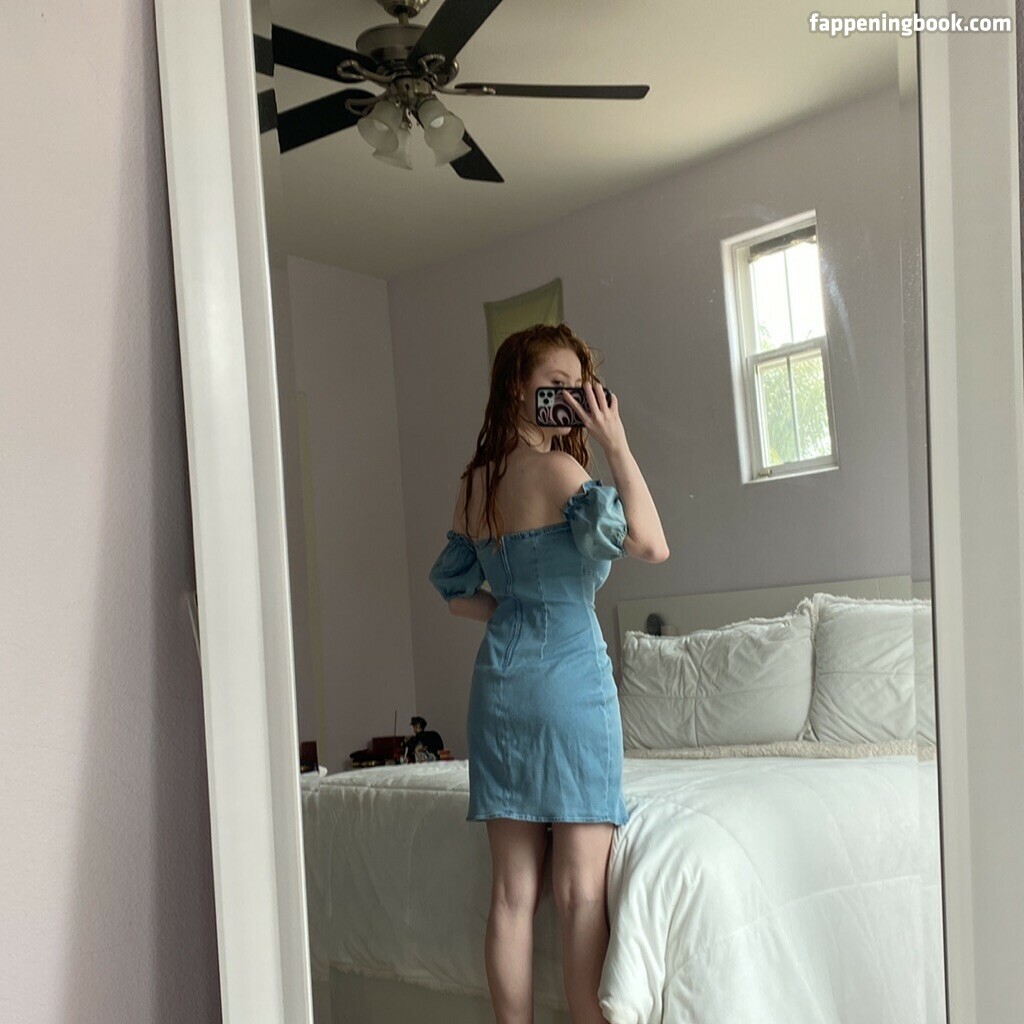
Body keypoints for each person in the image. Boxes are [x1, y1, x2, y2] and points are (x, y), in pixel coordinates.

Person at [428, 322, 669, 1023]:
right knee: (579, 894)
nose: (568, 399)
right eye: (553, 385)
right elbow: (651, 545)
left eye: (577, 387)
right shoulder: (562, 472)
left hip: (500, 688)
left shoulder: (474, 486)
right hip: (569, 686)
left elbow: (456, 594)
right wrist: (616, 442)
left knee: (510, 895)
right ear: (517, 388)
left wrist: (514, 608)